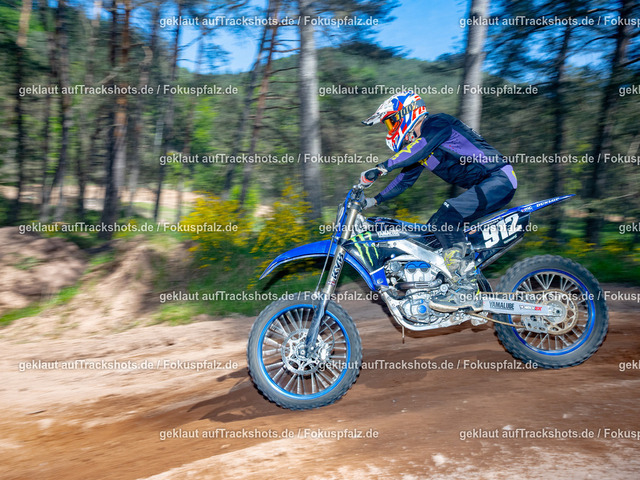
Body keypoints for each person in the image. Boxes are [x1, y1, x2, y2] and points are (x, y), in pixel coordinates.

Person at [360, 91, 517, 312]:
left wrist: (382, 168)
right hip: (485, 186)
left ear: (407, 112)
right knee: (432, 232)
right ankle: (445, 285)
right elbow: (404, 180)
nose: (391, 129)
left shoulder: (437, 124)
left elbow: (417, 149)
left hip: (499, 178)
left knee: (446, 216)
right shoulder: (421, 147)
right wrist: (373, 200)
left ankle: (466, 289)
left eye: (391, 122)